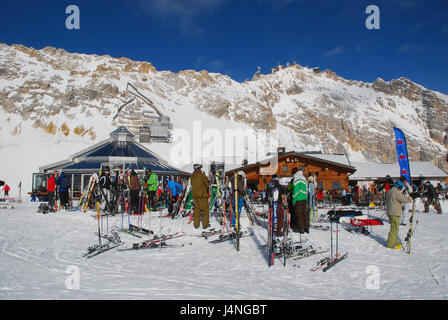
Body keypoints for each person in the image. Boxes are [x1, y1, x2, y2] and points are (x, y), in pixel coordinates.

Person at [385, 180, 411, 249]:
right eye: (400, 188)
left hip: (390, 212)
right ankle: (390, 244)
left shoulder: (389, 191)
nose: (400, 189)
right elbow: (405, 200)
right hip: (395, 212)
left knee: (394, 228)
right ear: (398, 186)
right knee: (394, 229)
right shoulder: (396, 192)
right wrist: (411, 198)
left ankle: (394, 241)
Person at [288, 167, 308, 233]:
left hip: (298, 198)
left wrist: (294, 200)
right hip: (304, 198)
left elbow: (295, 190)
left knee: (298, 214)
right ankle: (306, 227)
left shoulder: (296, 179)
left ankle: (300, 228)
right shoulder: (304, 178)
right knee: (304, 213)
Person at [190, 163, 210, 229]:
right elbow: (207, 184)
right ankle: (205, 225)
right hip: (202, 195)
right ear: (199, 168)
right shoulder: (201, 175)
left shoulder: (192, 176)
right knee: (205, 211)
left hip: (195, 196)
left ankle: (196, 225)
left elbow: (192, 184)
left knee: (196, 211)